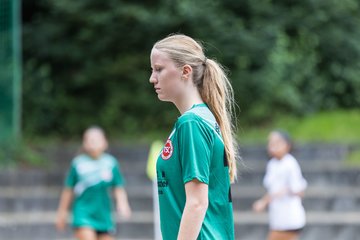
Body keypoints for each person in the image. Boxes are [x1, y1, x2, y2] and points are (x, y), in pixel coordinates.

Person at [149, 34, 240, 240]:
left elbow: (197, 203)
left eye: (159, 69)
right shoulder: (199, 119)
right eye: (152, 70)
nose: (152, 78)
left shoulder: (192, 123)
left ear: (185, 71)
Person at [55, 126, 131, 240]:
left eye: (96, 140)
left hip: (103, 215)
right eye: (89, 140)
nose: (92, 143)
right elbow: (68, 189)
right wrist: (62, 213)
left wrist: (123, 203)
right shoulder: (78, 163)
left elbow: (118, 186)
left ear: (105, 143)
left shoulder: (110, 163)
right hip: (83, 214)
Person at [252, 130, 307, 240]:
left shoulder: (290, 163)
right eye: (270, 143)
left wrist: (264, 201)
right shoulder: (272, 164)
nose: (272, 146)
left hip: (289, 219)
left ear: (287, 145)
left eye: (276, 142)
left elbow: (297, 190)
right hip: (278, 218)